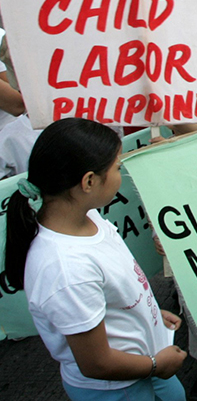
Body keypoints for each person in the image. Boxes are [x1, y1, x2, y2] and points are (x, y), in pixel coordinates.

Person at [4, 118, 187, 400]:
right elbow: (96, 363)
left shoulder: (85, 215)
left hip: (146, 363)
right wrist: (155, 365)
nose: (121, 171)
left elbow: (110, 296)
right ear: (89, 181)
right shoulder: (65, 269)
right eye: (116, 167)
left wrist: (144, 313)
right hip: (119, 388)